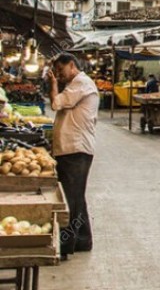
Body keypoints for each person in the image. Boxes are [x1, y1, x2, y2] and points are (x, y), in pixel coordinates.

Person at [46, 53, 98, 260]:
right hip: (70, 149)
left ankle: (66, 244)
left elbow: (56, 103)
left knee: (71, 199)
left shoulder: (82, 83)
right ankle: (83, 240)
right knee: (76, 197)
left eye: (60, 70)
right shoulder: (76, 84)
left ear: (72, 64)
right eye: (56, 72)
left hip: (76, 150)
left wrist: (52, 84)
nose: (58, 75)